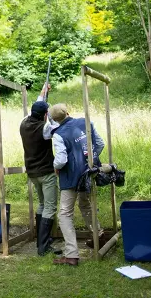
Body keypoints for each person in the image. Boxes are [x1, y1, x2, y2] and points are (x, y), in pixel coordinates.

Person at [50, 104, 105, 266]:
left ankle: (72, 254)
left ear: (55, 120)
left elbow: (61, 160)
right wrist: (89, 160)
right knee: (85, 204)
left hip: (71, 177)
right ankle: (99, 235)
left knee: (64, 214)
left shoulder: (58, 134)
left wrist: (55, 167)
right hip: (88, 172)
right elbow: (99, 144)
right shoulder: (86, 122)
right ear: (68, 112)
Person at [19, 84, 61, 256]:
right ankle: (43, 246)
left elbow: (36, 107)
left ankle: (41, 241)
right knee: (50, 207)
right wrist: (49, 114)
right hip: (46, 173)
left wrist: (43, 92)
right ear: (44, 115)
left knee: (42, 205)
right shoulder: (45, 128)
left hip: (33, 173)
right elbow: (53, 125)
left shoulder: (23, 123)